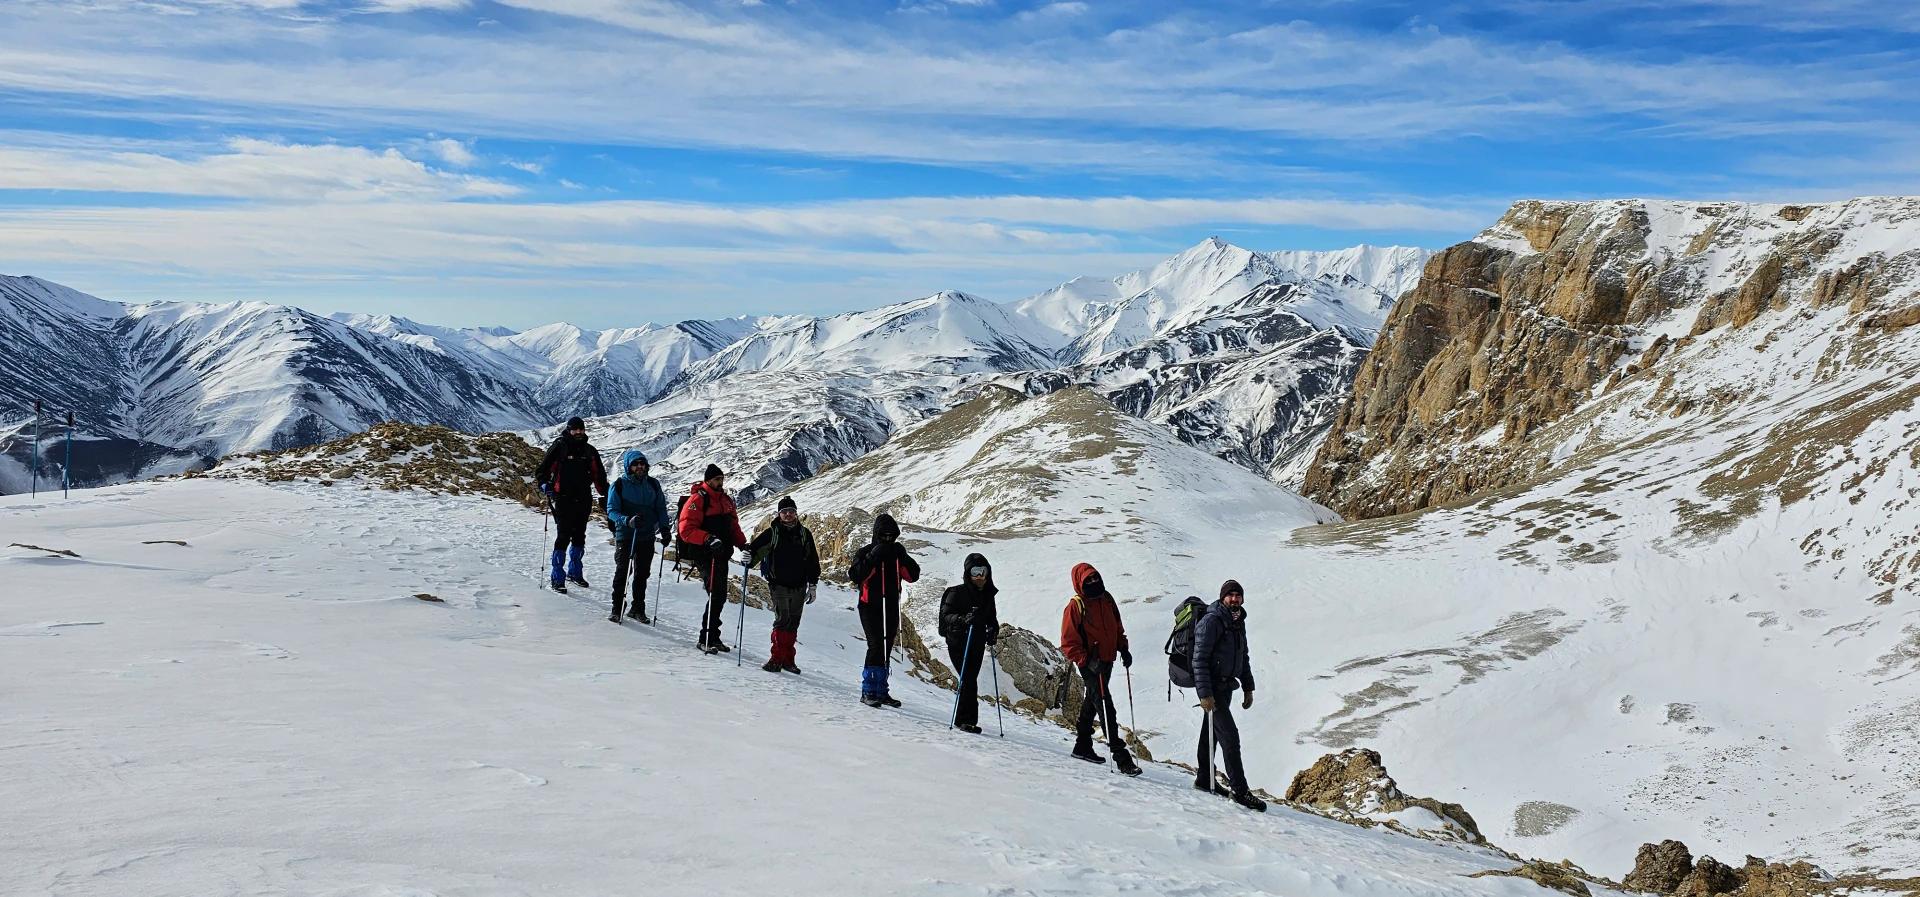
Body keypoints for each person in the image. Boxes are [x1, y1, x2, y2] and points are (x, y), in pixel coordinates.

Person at [1060, 562, 1141, 776]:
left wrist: (1123, 648)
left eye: (1095, 578)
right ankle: (1121, 757)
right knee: (1105, 706)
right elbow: (1069, 643)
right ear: (1079, 583)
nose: (1094, 582)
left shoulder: (1107, 599)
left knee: (1092, 701)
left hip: (1106, 660)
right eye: (1088, 580)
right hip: (1090, 664)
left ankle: (1082, 746)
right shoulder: (1075, 606)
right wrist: (1086, 661)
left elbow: (1116, 626)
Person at [1194, 579, 1265, 812]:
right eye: (1230, 595)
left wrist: (1248, 686)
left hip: (1226, 687)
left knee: (1210, 733)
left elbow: (1242, 656)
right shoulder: (1212, 620)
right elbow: (1200, 659)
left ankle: (1205, 778)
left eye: (1238, 595)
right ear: (1223, 597)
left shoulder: (1237, 621)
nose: (1234, 599)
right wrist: (1205, 694)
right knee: (1230, 738)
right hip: (1212, 688)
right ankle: (1240, 791)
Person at [848, 513, 918, 708]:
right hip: (870, 606)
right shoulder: (866, 551)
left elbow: (913, 576)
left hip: (891, 606)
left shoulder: (897, 553)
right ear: (877, 534)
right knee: (876, 645)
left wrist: (902, 556)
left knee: (886, 648)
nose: (888, 539)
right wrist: (872, 557)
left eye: (891, 536)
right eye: (884, 535)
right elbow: (855, 575)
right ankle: (868, 691)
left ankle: (881, 691)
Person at [746, 495, 821, 674]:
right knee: (782, 620)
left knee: (793, 622)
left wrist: (813, 584)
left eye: (791, 511)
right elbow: (754, 549)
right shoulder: (773, 533)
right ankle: (776, 659)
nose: (788, 514)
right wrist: (747, 558)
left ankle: (788, 660)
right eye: (784, 512)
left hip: (799, 585)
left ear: (796, 513)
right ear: (779, 514)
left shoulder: (804, 534)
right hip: (778, 584)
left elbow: (812, 560)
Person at [677, 464, 748, 653]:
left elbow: (733, 527)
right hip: (705, 554)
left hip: (721, 554)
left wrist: (743, 544)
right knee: (716, 593)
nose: (720, 482)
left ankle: (713, 637)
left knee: (720, 595)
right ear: (708, 480)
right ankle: (706, 638)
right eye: (717, 479)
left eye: (722, 479)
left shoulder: (725, 500)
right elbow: (686, 529)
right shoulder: (698, 499)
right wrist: (707, 538)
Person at [534, 416, 608, 593]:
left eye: (581, 429)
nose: (578, 432)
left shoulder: (589, 451)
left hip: (583, 499)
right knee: (563, 536)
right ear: (568, 430)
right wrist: (545, 484)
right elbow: (542, 471)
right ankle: (557, 577)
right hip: (563, 498)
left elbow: (599, 476)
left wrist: (607, 494)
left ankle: (575, 572)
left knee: (580, 536)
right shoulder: (560, 447)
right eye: (575, 429)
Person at [606, 449, 671, 624]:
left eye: (642, 463)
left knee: (642, 573)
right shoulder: (619, 485)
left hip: (646, 535)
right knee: (623, 572)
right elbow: (611, 510)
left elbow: (660, 508)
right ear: (628, 466)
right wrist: (627, 521)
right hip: (626, 534)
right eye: (635, 464)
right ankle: (617, 607)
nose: (640, 466)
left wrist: (665, 528)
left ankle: (637, 608)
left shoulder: (653, 484)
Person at [938, 553, 999, 734]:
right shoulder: (956, 593)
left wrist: (992, 631)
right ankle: (967, 721)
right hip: (958, 642)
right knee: (969, 679)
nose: (980, 577)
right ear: (968, 574)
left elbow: (992, 619)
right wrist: (963, 619)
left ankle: (963, 719)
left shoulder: (988, 595)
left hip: (977, 642)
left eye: (983, 571)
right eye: (975, 572)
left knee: (969, 679)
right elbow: (946, 615)